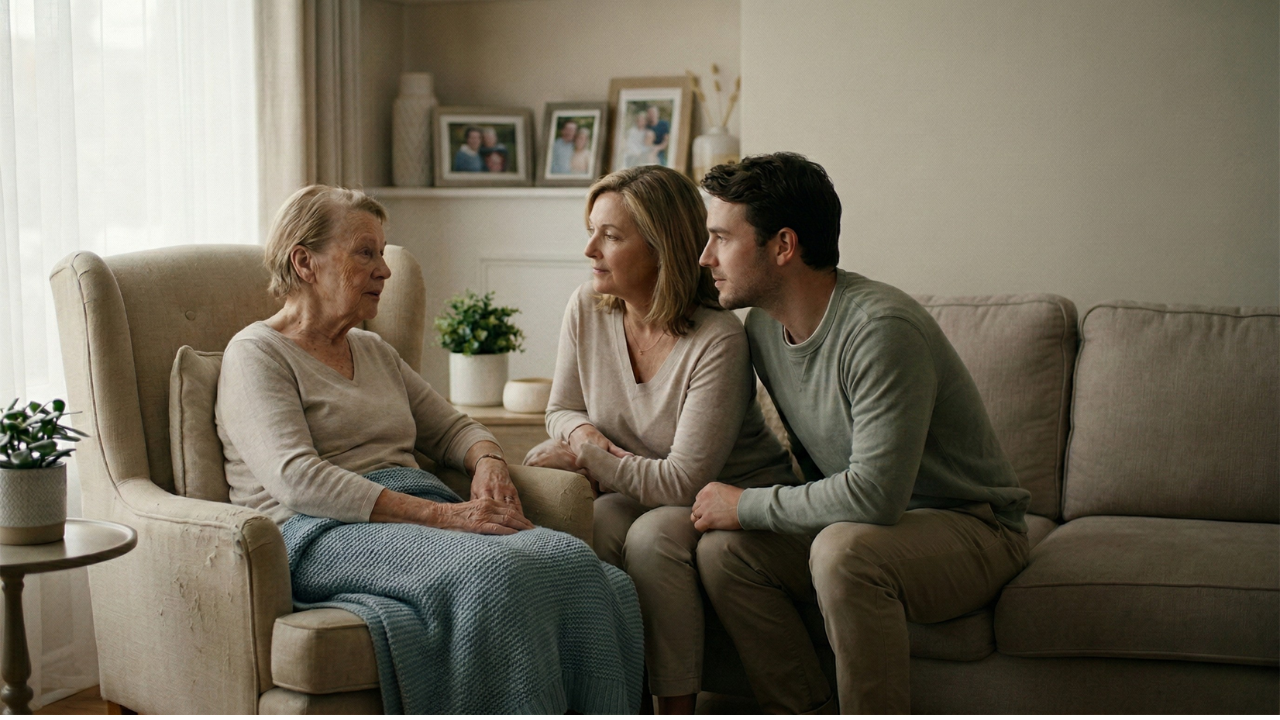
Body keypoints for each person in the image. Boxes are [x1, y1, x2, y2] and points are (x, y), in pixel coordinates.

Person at [215, 185, 643, 714]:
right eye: (365, 252)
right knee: (496, 576)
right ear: (305, 262)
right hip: (316, 529)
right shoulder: (256, 354)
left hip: (404, 510)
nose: (385, 270)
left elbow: (454, 428)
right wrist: (445, 515)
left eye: (383, 251)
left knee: (585, 567)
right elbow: (297, 480)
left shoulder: (372, 349)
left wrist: (488, 463)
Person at [692, 153, 1031, 714]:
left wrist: (747, 504)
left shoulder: (880, 330)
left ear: (783, 246)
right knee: (725, 552)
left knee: (842, 552)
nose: (707, 258)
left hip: (974, 526)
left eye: (721, 239)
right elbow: (815, 470)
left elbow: (874, 495)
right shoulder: (763, 331)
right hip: (870, 527)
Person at [523, 165, 795, 714]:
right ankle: (606, 698)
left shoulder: (717, 338)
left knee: (651, 540)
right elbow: (561, 407)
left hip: (720, 492)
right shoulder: (587, 307)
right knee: (591, 524)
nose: (589, 249)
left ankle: (674, 706)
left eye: (611, 235)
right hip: (637, 481)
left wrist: (587, 457)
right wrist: (582, 434)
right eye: (591, 229)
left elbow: (684, 480)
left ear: (664, 247)